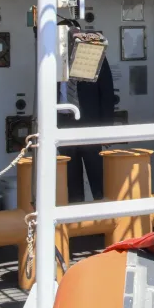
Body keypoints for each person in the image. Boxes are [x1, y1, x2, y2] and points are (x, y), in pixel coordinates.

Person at [63, 54, 116, 201]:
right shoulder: (51, 55)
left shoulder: (93, 53)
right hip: (63, 123)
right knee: (70, 175)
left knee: (98, 174)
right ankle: (75, 217)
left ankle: (105, 216)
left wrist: (107, 129)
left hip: (90, 123)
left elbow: (107, 93)